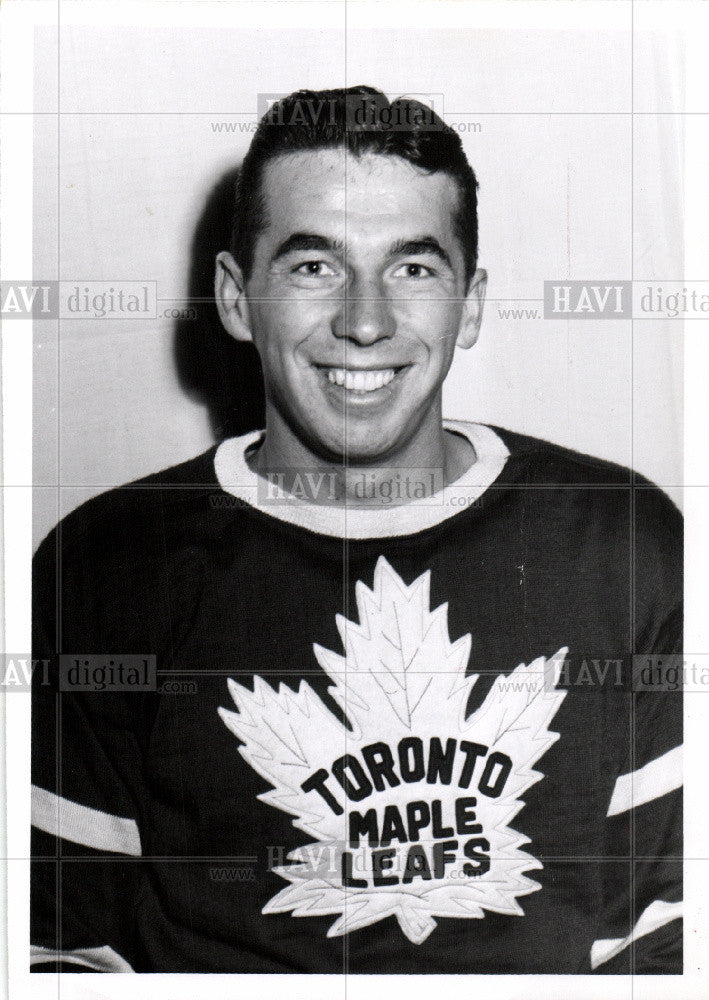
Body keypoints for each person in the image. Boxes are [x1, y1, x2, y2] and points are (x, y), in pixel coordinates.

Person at [31, 86, 682, 974]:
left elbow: (670, 932)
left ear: (472, 303)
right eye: (314, 267)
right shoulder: (104, 566)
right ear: (234, 297)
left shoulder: (623, 542)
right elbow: (55, 946)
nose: (365, 321)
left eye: (413, 268)